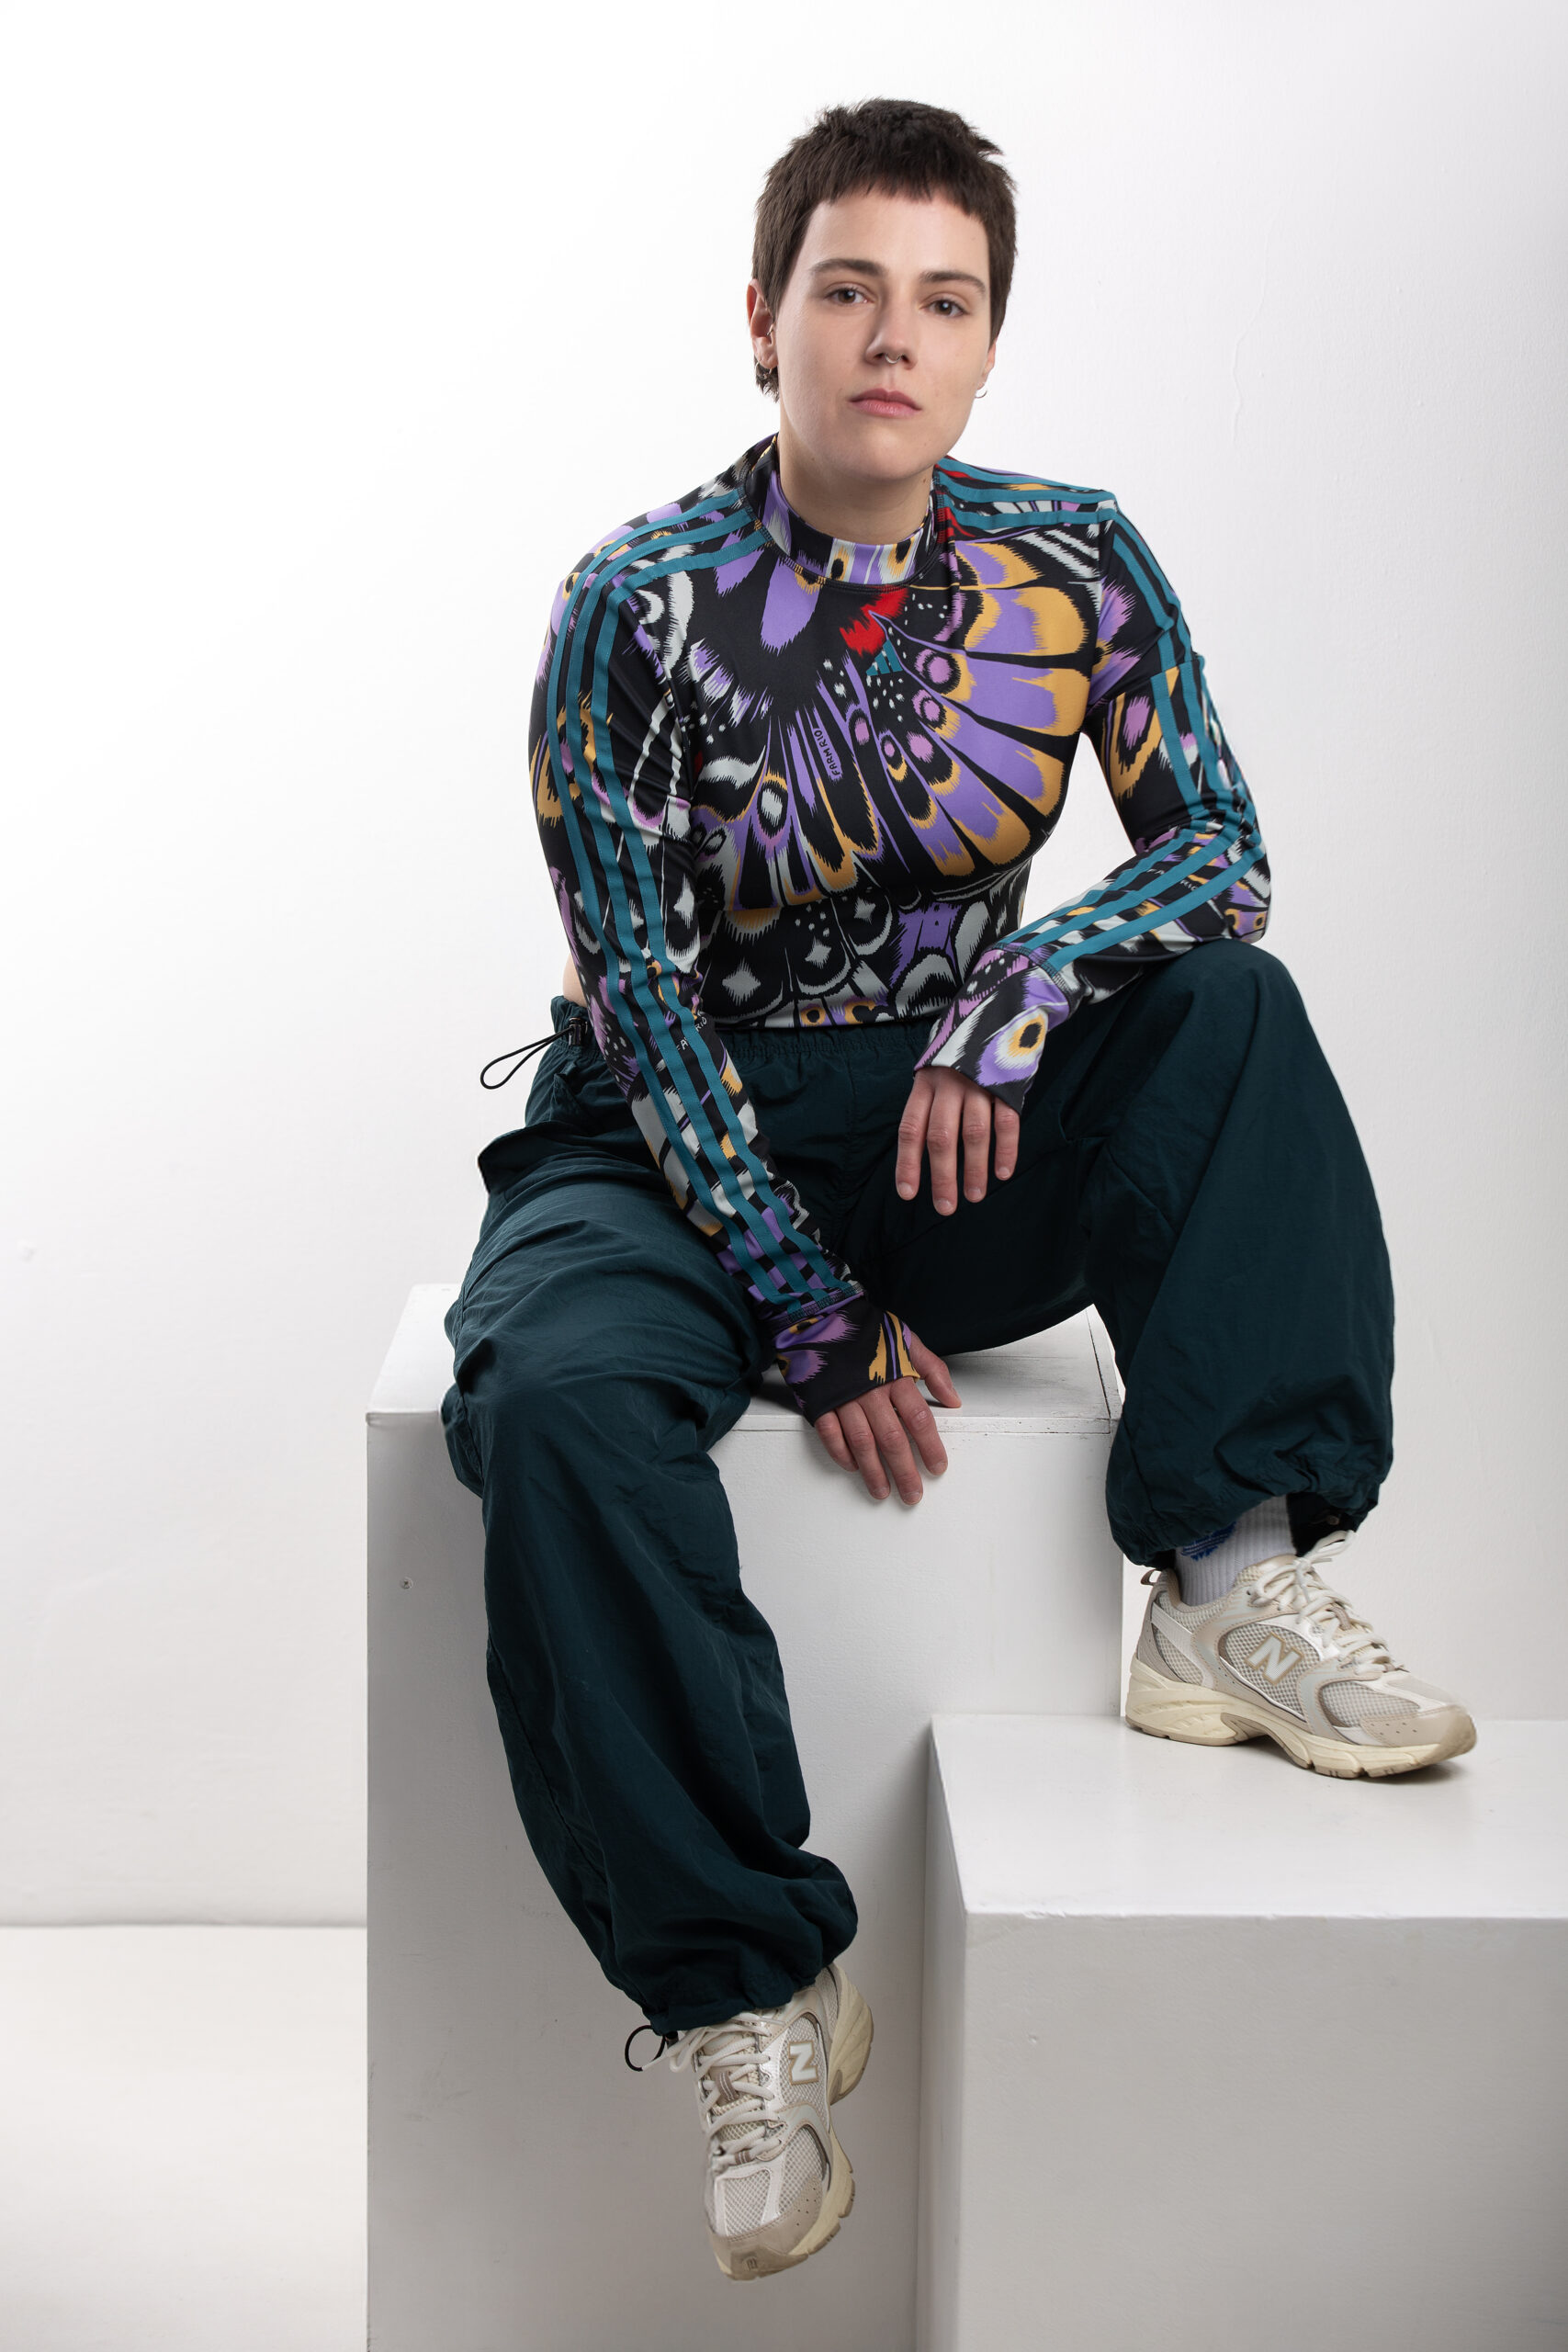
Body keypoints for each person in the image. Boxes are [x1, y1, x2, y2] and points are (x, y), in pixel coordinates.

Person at [441, 96, 1475, 2283]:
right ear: (762, 320)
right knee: (543, 1396)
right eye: (846, 291)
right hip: (667, 1136)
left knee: (1227, 1014)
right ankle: (751, 1985)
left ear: (988, 340)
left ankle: (1226, 1579)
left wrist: (1019, 985)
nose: (890, 338)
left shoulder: (1072, 557)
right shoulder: (626, 606)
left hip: (948, 1125)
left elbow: (1216, 853)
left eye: (941, 300)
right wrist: (805, 1307)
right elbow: (637, 995)